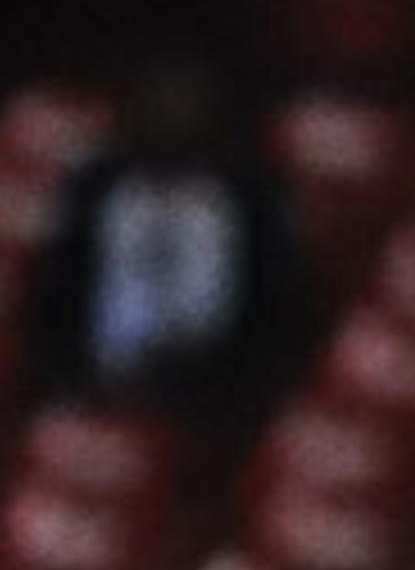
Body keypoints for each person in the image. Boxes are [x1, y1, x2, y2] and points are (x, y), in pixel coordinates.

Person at [31, 61, 305, 418]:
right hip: (97, 393)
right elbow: (59, 290)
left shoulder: (250, 201)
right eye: (158, 110)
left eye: (184, 112)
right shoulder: (96, 189)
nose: (171, 123)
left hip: (212, 405)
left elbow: (274, 305)